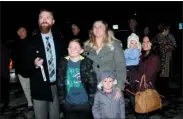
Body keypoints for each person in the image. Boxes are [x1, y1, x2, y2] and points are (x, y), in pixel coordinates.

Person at [25, 9, 64, 119]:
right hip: (39, 88)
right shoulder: (30, 42)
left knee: (55, 116)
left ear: (53, 21)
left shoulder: (60, 40)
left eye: (48, 17)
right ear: (38, 21)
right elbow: (23, 66)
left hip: (56, 88)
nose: (44, 20)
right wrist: (34, 64)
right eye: (41, 17)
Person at [84, 20, 126, 98]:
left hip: (112, 87)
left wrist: (119, 87)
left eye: (100, 26)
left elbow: (121, 67)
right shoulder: (87, 47)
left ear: (105, 29)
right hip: (93, 89)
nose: (97, 28)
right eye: (95, 27)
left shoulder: (115, 45)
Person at [57, 39, 97, 119]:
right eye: (70, 47)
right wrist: (62, 101)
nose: (72, 49)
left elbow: (93, 82)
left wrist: (91, 101)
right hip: (68, 103)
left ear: (81, 50)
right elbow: (60, 82)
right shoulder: (62, 63)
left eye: (75, 48)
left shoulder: (87, 63)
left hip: (85, 103)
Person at [130, 35, 161, 119]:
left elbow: (147, 77)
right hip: (135, 90)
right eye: (143, 42)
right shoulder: (141, 56)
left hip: (144, 91)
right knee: (137, 113)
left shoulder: (155, 58)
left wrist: (131, 73)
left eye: (148, 42)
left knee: (142, 115)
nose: (145, 44)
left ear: (153, 43)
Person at [13, 27, 33, 110]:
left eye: (23, 31)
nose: (21, 33)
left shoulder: (31, 42)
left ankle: (36, 102)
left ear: (26, 31)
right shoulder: (15, 44)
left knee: (33, 87)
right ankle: (30, 103)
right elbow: (14, 57)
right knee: (25, 88)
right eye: (19, 31)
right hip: (21, 70)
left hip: (32, 69)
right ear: (18, 33)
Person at [0, 43, 10, 113]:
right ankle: (5, 105)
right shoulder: (5, 47)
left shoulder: (3, 48)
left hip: (3, 73)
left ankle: (5, 106)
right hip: (4, 73)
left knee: (4, 91)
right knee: (5, 91)